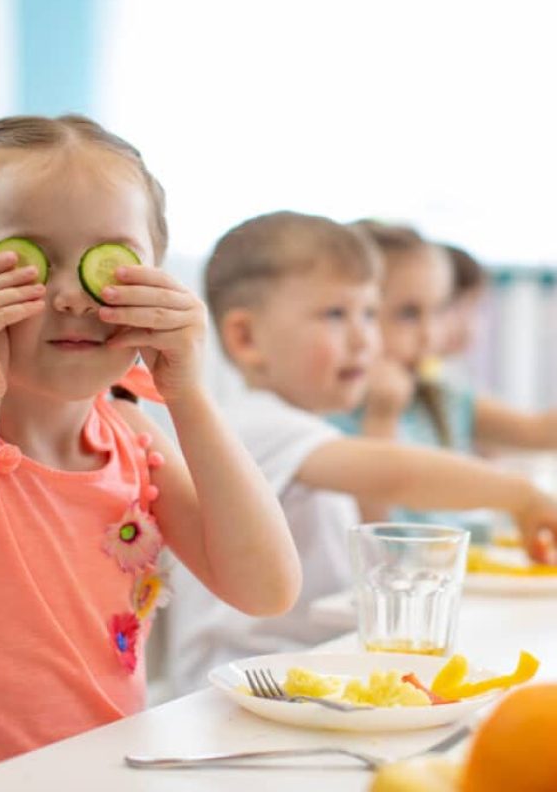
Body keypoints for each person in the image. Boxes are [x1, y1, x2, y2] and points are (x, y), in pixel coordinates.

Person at [0, 116, 301, 775]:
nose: (71, 295)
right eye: (29, 257)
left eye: (107, 263)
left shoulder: (133, 437)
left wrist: (190, 396)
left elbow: (266, 588)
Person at [167, 211, 557, 694]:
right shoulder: (254, 423)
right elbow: (398, 476)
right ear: (247, 339)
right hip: (232, 688)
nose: (362, 339)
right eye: (335, 315)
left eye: (369, 314)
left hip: (306, 675)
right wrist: (518, 494)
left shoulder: (309, 428)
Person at [330, 221, 557, 525]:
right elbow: (369, 540)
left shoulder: (440, 394)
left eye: (438, 311)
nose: (430, 334)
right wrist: (381, 417)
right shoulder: (328, 416)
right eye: (408, 314)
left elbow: (537, 431)